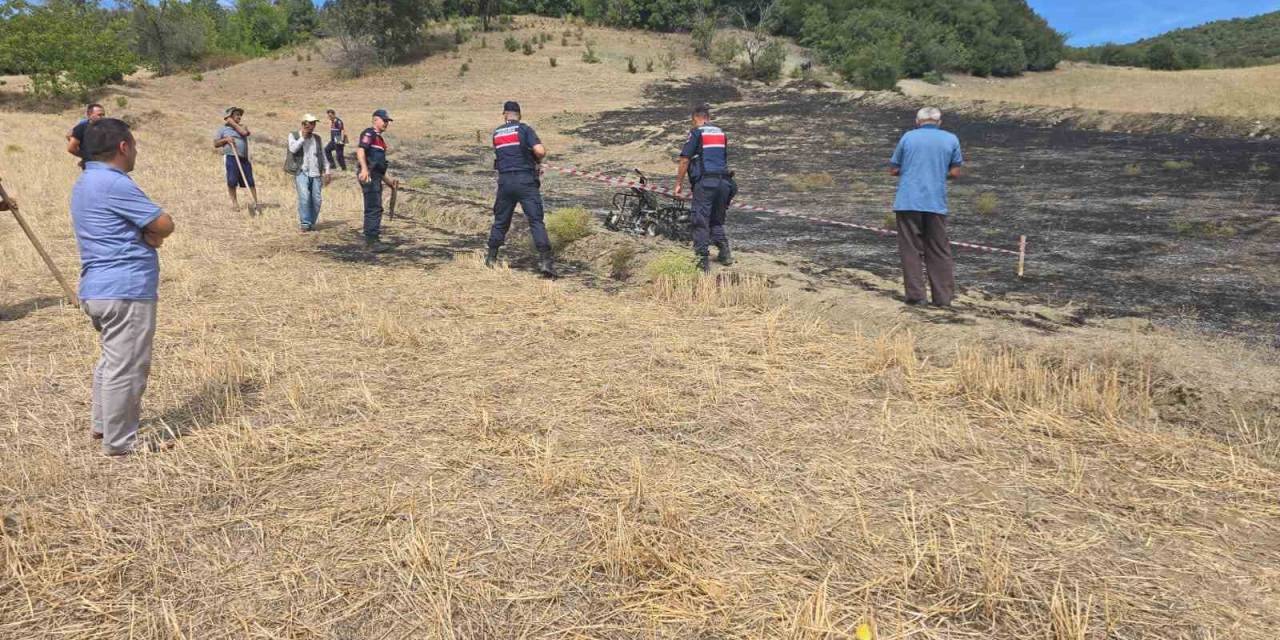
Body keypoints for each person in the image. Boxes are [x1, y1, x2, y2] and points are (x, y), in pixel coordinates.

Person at [70, 118, 175, 456]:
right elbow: (163, 223)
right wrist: (152, 235)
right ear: (123, 146)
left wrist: (146, 235)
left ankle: (104, 425)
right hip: (125, 287)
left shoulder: (85, 181)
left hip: (98, 288)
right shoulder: (116, 184)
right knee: (127, 368)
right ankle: (121, 442)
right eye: (134, 145)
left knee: (111, 361)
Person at [889, 106, 964, 307]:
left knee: (911, 249)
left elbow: (894, 169)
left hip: (908, 201)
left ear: (917, 121)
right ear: (939, 122)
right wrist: (939, 173)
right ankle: (943, 298)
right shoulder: (951, 139)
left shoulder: (908, 137)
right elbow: (955, 172)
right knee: (939, 249)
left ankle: (916, 296)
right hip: (936, 202)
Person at [484, 100, 555, 277]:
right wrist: (535, 159)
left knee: (501, 221)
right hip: (525, 181)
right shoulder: (524, 129)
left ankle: (491, 258)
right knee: (536, 221)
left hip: (505, 182)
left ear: (505, 114)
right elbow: (540, 151)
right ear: (519, 115)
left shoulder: (497, 133)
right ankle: (545, 262)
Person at [674, 103, 734, 273]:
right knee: (716, 218)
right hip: (724, 183)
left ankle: (702, 260)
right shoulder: (721, 133)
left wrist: (678, 183)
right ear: (708, 118)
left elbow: (685, 159)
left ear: (695, 119)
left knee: (700, 220)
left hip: (706, 183)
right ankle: (725, 253)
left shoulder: (696, 132)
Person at [356, 109, 399, 251]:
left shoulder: (380, 140)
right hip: (369, 176)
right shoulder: (369, 134)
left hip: (375, 176)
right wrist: (364, 169)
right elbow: (361, 150)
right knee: (373, 208)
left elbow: (379, 167)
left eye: (388, 121)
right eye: (384, 120)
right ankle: (371, 241)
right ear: (375, 120)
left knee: (375, 207)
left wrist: (388, 182)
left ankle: (372, 239)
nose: (387, 123)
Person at [286, 114, 332, 232]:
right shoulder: (294, 135)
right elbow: (293, 149)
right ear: (303, 124)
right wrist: (303, 137)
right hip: (301, 171)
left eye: (313, 124)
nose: (312, 126)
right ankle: (305, 223)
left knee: (317, 199)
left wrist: (327, 171)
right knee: (305, 197)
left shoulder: (317, 138)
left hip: (316, 172)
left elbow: (322, 154)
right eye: (310, 123)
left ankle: (311, 222)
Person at [213, 107, 258, 211]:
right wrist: (226, 139)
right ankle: (235, 204)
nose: (239, 117)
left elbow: (244, 133)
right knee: (232, 181)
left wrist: (232, 123)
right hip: (231, 157)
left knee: (250, 181)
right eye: (236, 114)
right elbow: (215, 143)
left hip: (244, 158)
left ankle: (255, 203)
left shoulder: (243, 127)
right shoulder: (222, 129)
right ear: (230, 116)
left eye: (240, 115)